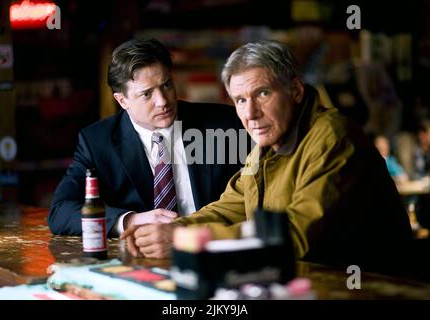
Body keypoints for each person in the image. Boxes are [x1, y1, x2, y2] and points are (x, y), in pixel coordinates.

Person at [122, 40, 412, 275]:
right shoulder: (268, 143)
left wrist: (183, 240)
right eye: (240, 100)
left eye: (262, 94)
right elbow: (230, 207)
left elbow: (298, 236)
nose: (250, 114)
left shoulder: (333, 138)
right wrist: (170, 229)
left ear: (295, 90)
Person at [48, 38, 248, 237]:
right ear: (122, 100)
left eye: (167, 85)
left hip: (214, 246)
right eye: (146, 94)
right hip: (145, 254)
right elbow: (60, 212)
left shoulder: (225, 124)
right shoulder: (98, 142)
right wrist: (130, 220)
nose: (162, 101)